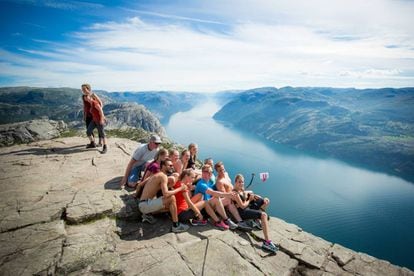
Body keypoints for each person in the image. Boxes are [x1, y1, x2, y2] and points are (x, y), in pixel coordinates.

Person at [194, 164, 252, 231]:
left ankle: (240, 222)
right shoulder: (201, 184)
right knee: (217, 198)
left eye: (211, 172)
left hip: (210, 205)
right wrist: (228, 194)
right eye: (208, 172)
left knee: (227, 199)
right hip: (203, 210)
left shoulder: (209, 181)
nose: (210, 174)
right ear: (203, 173)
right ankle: (226, 220)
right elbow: (214, 193)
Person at [137, 159, 189, 233]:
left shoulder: (157, 174)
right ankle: (176, 226)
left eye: (172, 165)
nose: (172, 167)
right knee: (171, 198)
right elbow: (166, 194)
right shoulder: (163, 176)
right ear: (163, 166)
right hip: (145, 205)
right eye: (170, 165)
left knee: (170, 207)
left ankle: (148, 214)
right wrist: (181, 188)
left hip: (143, 204)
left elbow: (141, 185)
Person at [232, 174, 278, 253]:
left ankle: (256, 220)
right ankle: (267, 242)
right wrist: (249, 199)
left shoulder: (241, 190)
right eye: (239, 182)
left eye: (242, 182)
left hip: (248, 208)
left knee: (264, 200)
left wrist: (255, 196)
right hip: (243, 213)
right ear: (235, 182)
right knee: (263, 215)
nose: (241, 184)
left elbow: (248, 193)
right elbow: (242, 206)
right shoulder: (234, 193)